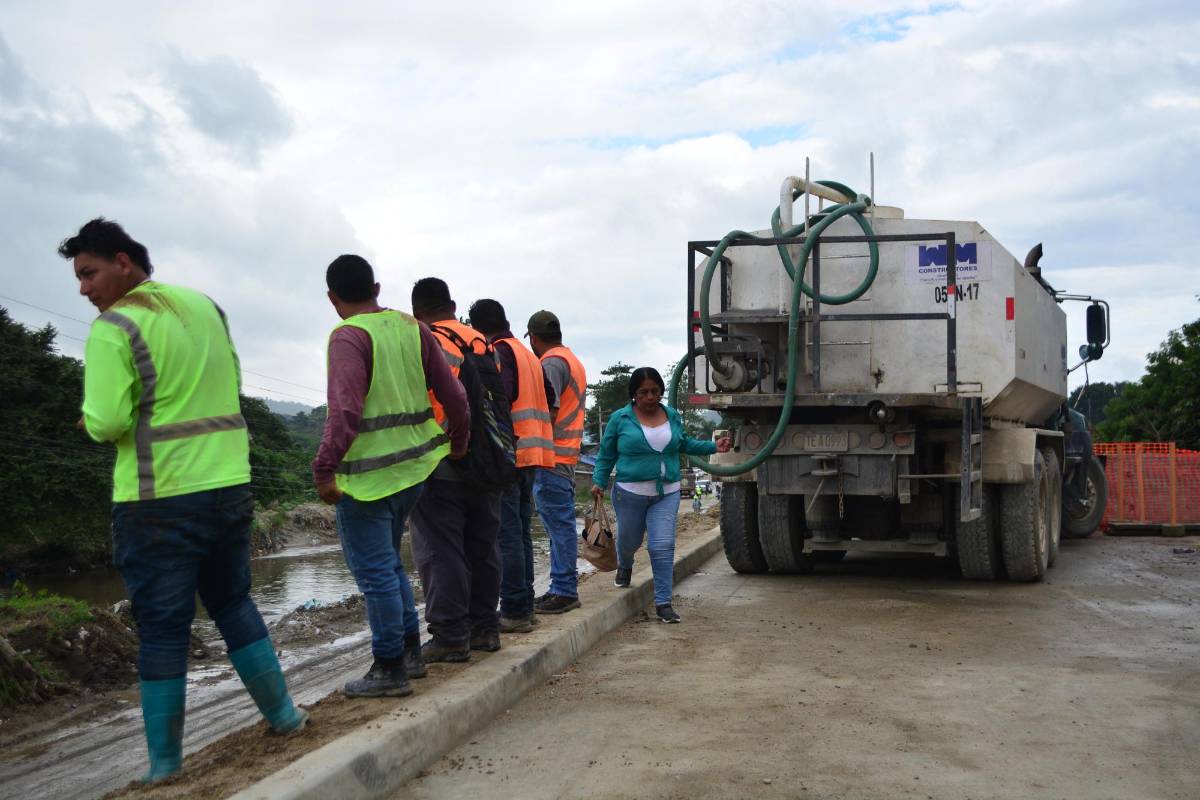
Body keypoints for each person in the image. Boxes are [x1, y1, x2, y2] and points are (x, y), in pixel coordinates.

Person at [61, 218, 307, 783]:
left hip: (158, 499)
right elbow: (229, 383)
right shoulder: (206, 307)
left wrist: (89, 422)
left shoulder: (114, 327)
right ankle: (286, 716)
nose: (84, 288)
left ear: (124, 262)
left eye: (89, 273)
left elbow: (108, 421)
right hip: (229, 487)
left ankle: (166, 765)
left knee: (163, 627)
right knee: (233, 603)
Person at [314, 255, 468, 698]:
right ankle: (410, 654)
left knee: (376, 571)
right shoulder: (411, 327)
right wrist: (459, 440)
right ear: (376, 288)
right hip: (414, 470)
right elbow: (454, 395)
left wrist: (324, 469)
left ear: (332, 298)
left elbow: (345, 411)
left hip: (366, 479)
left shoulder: (349, 336)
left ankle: (389, 666)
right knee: (390, 564)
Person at [409, 278, 504, 660]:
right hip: (490, 460)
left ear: (417, 312)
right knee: (483, 546)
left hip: (444, 458)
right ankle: (486, 629)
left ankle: (450, 634)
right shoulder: (482, 341)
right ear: (451, 305)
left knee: (441, 548)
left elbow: (435, 401)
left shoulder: (427, 340)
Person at [591, 367, 731, 624]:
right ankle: (625, 565)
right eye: (643, 392)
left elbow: (684, 443)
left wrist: (713, 446)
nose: (650, 397)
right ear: (634, 394)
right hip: (629, 494)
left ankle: (664, 603)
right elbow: (606, 454)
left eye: (655, 391)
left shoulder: (672, 416)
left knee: (662, 546)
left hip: (667, 492)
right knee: (629, 542)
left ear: (661, 392)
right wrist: (598, 481)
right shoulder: (620, 419)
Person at [468, 298, 556, 633]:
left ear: (478, 328)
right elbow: (550, 399)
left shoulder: (499, 352)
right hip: (533, 453)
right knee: (520, 531)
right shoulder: (527, 354)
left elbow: (498, 396)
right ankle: (524, 605)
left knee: (507, 534)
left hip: (510, 454)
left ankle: (515, 610)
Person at [527, 311, 588, 614]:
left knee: (559, 526)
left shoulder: (550, 363)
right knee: (558, 526)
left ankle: (564, 590)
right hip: (564, 455)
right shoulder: (571, 360)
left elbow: (547, 412)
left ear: (533, 338)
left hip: (551, 456)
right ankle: (559, 587)